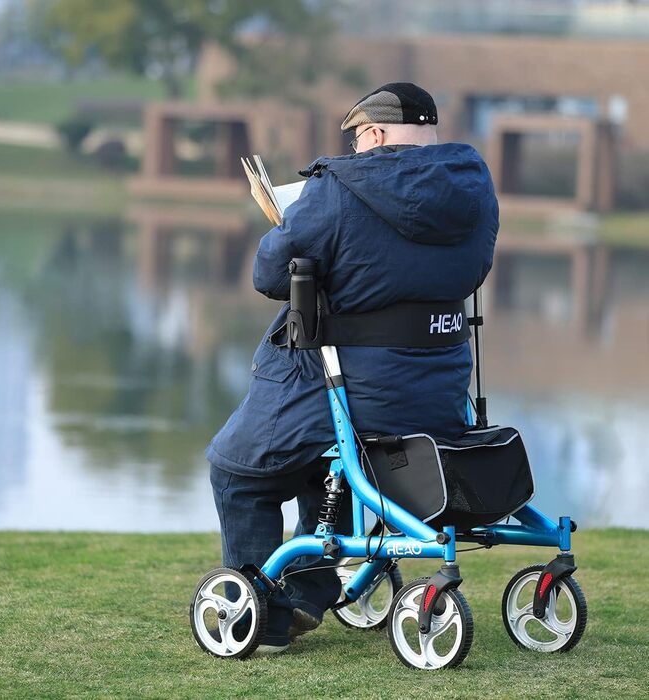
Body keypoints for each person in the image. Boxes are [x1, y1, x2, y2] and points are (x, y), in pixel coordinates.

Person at [205, 83, 499, 654]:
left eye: (361, 137)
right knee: (322, 463)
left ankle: (264, 615)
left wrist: (287, 225)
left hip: (348, 386)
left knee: (238, 469)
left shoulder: (338, 188)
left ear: (376, 134)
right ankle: (310, 592)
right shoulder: (475, 190)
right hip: (438, 392)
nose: (360, 148)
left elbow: (270, 274)